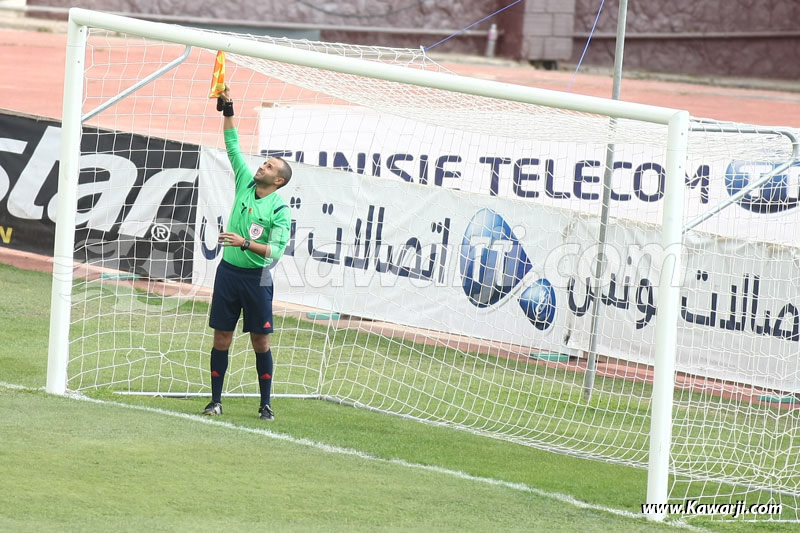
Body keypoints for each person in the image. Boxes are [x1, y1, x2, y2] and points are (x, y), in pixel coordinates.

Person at [202, 86, 293, 421]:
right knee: (222, 336)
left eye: (268, 166)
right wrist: (228, 111)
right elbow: (232, 145)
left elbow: (275, 252)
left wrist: (243, 242)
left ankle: (265, 404)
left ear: (279, 180)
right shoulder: (244, 182)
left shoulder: (280, 210)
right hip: (228, 273)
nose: (261, 167)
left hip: (257, 279)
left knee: (260, 342)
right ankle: (215, 401)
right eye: (264, 163)